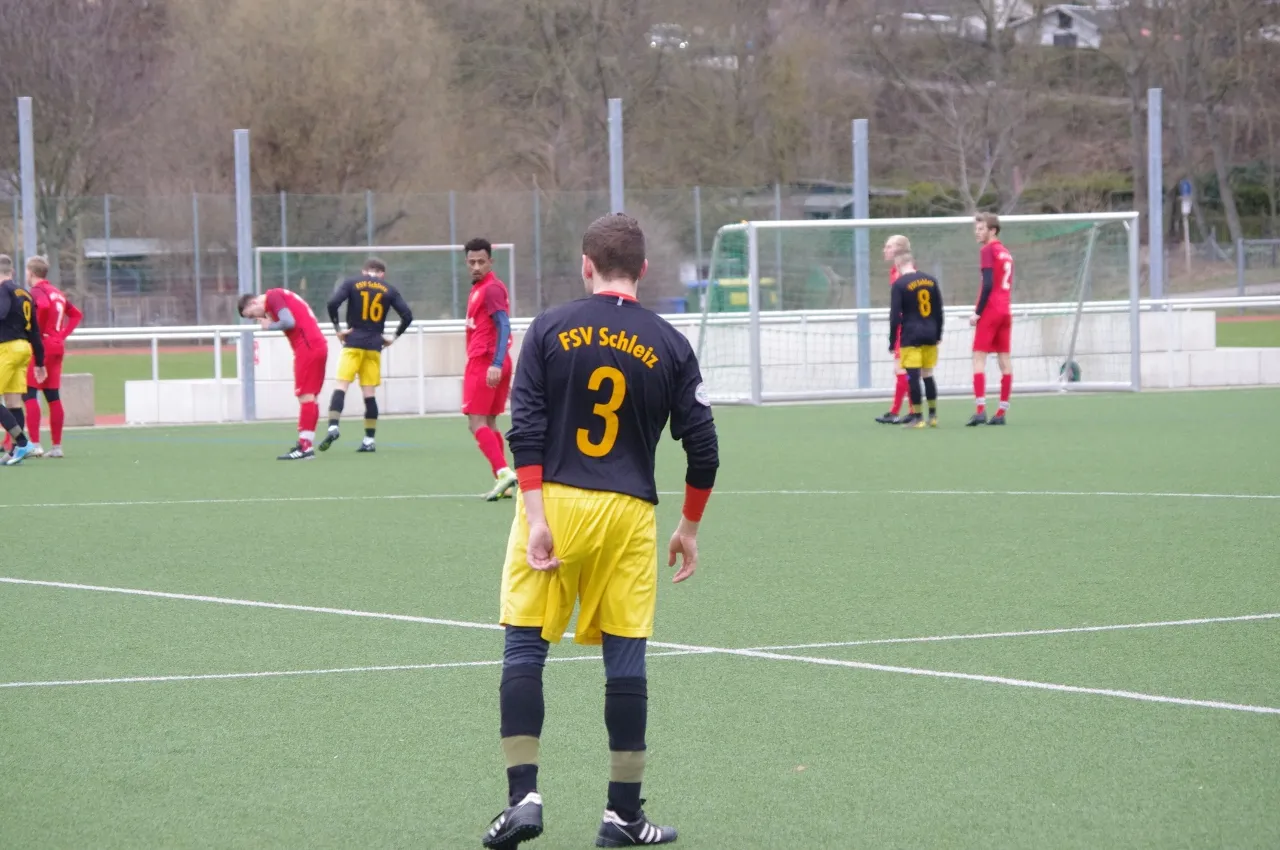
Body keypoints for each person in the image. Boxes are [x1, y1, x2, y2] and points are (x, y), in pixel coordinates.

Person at [482, 214, 718, 849]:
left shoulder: (549, 328)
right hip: (630, 514)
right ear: (643, 269)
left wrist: (536, 517)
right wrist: (689, 527)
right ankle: (623, 816)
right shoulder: (670, 342)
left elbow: (525, 430)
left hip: (555, 502)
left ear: (585, 266)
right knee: (626, 660)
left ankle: (523, 799)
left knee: (525, 648)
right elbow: (704, 449)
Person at [319, 258, 412, 453]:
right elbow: (407, 316)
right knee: (369, 394)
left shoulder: (352, 283)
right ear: (382, 274)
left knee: (341, 386)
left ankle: (333, 426)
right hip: (374, 346)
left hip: (353, 342)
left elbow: (332, 303)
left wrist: (338, 329)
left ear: (364, 271)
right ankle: (369, 440)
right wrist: (393, 337)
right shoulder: (389, 289)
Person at [238, 287, 328, 460]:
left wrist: (270, 326)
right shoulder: (280, 297)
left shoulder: (273, 296)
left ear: (254, 302)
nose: (256, 318)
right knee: (311, 397)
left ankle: (305, 447)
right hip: (316, 345)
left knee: (305, 396)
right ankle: (306, 444)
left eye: (252, 315)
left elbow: (289, 322)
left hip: (308, 347)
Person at [462, 238, 518, 501]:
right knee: (490, 421)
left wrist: (495, 363)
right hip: (493, 361)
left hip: (486, 361)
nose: (476, 266)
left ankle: (503, 472)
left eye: (481, 262)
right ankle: (503, 481)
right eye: (472, 262)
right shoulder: (480, 288)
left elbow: (504, 325)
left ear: (490, 262)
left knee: (475, 422)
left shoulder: (491, 289)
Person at [16, 257, 82, 458]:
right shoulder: (57, 292)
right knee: (53, 396)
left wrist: (35, 332)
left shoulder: (37, 291)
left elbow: (43, 307)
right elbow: (76, 314)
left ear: (31, 272)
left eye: (27, 272)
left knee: (29, 393)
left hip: (42, 345)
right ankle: (57, 447)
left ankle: (35, 444)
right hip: (56, 346)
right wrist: (61, 334)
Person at [888, 247, 944, 428]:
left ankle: (918, 417)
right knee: (928, 375)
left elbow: (895, 316)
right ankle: (933, 416)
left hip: (911, 335)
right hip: (930, 333)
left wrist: (892, 341)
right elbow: (939, 310)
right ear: (912, 263)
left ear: (898, 265)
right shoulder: (931, 280)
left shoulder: (899, 284)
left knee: (913, 377)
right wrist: (938, 334)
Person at [969, 213, 1013, 426]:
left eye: (981, 229)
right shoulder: (1006, 252)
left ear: (992, 230)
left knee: (979, 358)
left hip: (990, 310)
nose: (977, 232)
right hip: (1005, 310)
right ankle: (1001, 412)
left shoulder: (987, 250)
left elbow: (987, 284)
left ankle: (980, 410)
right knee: (1004, 360)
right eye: (976, 229)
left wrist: (977, 312)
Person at [0, 255, 45, 465]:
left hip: (7, 348)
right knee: (13, 403)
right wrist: (40, 362)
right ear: (12, 271)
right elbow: (35, 331)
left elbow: (1, 313)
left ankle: (23, 443)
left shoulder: (3, 290)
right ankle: (15, 452)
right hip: (23, 349)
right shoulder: (25, 293)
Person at [875, 234, 912, 424]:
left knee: (903, 369)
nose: (885, 250)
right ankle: (905, 410)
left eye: (889, 246)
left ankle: (906, 411)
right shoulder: (894, 271)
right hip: (901, 325)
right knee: (902, 370)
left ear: (899, 249)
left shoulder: (907, 274)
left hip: (908, 326)